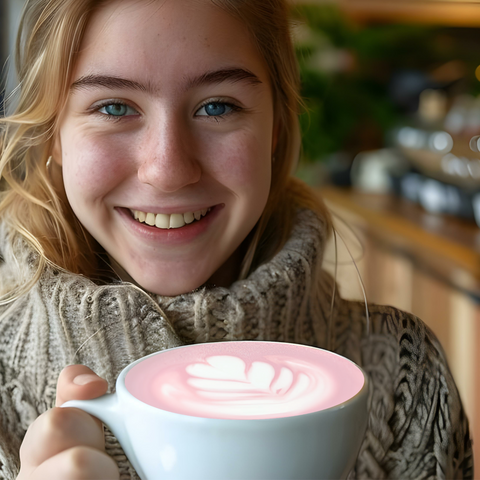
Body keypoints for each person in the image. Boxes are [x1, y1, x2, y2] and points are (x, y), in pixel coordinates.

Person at [0, 0, 473, 478]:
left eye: (217, 106)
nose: (167, 171)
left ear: (276, 126)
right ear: (53, 135)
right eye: (114, 107)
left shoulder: (405, 380)